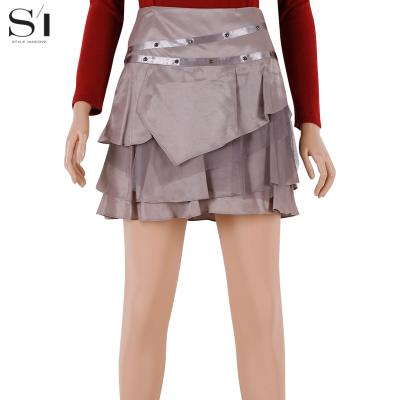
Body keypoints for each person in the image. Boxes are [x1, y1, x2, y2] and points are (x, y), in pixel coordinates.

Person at [64, 1, 336, 398]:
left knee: (259, 312)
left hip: (249, 92)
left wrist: (310, 120)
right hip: (154, 95)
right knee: (144, 310)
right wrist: (81, 106)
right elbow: (106, 6)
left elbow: (294, 7)